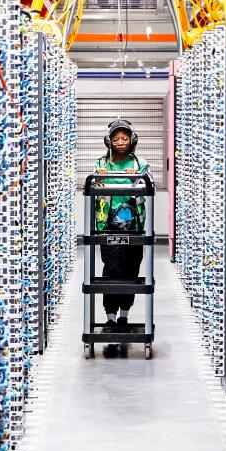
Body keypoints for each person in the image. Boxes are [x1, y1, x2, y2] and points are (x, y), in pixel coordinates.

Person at [94, 118, 151, 326]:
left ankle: (124, 316)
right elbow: (95, 187)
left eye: (124, 138)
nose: (120, 142)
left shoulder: (140, 164)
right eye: (116, 138)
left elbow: (148, 184)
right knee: (111, 268)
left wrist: (137, 177)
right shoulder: (101, 164)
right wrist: (99, 178)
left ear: (132, 140)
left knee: (131, 268)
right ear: (109, 141)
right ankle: (110, 316)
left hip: (134, 227)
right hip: (107, 226)